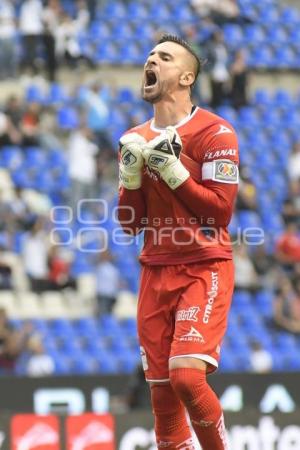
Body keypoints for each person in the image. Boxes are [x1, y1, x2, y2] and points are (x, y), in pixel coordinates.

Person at [118, 34, 239, 450]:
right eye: (149, 56)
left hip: (203, 267)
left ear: (186, 76)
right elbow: (129, 224)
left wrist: (174, 171)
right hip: (155, 271)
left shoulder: (216, 132)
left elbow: (218, 212)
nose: (151, 61)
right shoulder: (134, 136)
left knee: (187, 375)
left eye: (164, 57)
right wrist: (130, 176)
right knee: (164, 402)